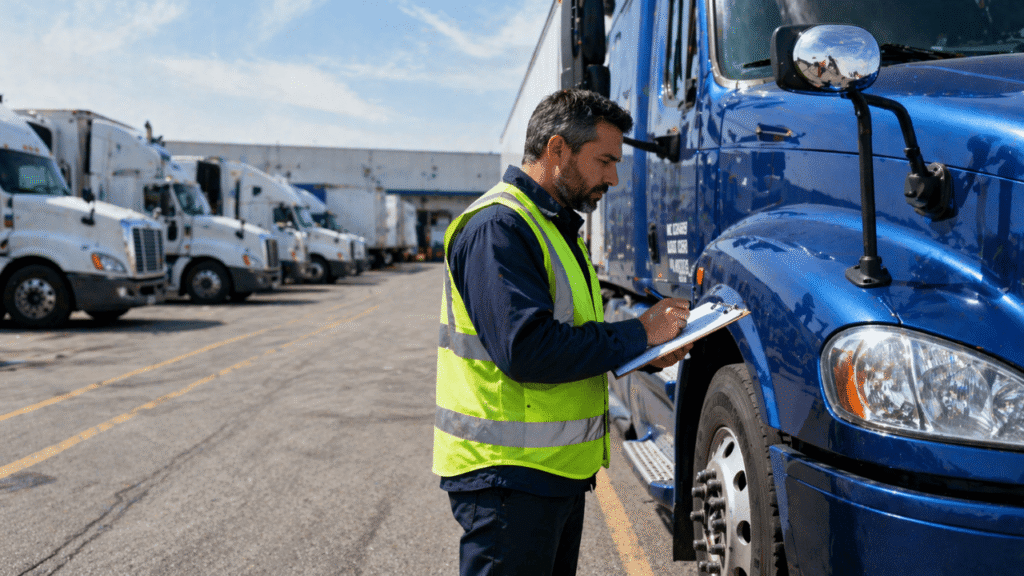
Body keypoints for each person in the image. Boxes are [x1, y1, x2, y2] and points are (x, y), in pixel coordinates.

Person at [433, 88, 692, 576]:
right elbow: (528, 349)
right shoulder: (499, 227)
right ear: (557, 150)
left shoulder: (551, 225)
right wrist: (638, 334)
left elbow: (567, 334)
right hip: (508, 480)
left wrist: (636, 352)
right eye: (604, 161)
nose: (613, 177)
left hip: (549, 474)